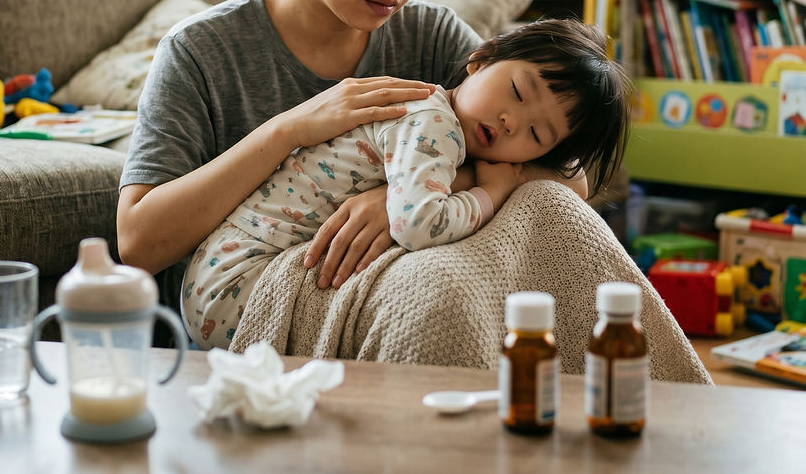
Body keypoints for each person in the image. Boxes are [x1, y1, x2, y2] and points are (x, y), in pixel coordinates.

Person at [118, 0, 581, 330]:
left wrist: (405, 199)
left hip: (395, 275)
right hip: (246, 308)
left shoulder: (431, 35)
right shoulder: (203, 50)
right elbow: (137, 244)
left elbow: (569, 182)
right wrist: (287, 130)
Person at [181, 19, 632, 349]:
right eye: (517, 91)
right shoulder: (433, 121)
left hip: (217, 276)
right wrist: (491, 191)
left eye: (537, 134)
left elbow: (574, 183)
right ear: (479, 60)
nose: (511, 122)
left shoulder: (450, 123)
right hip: (237, 287)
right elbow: (420, 225)